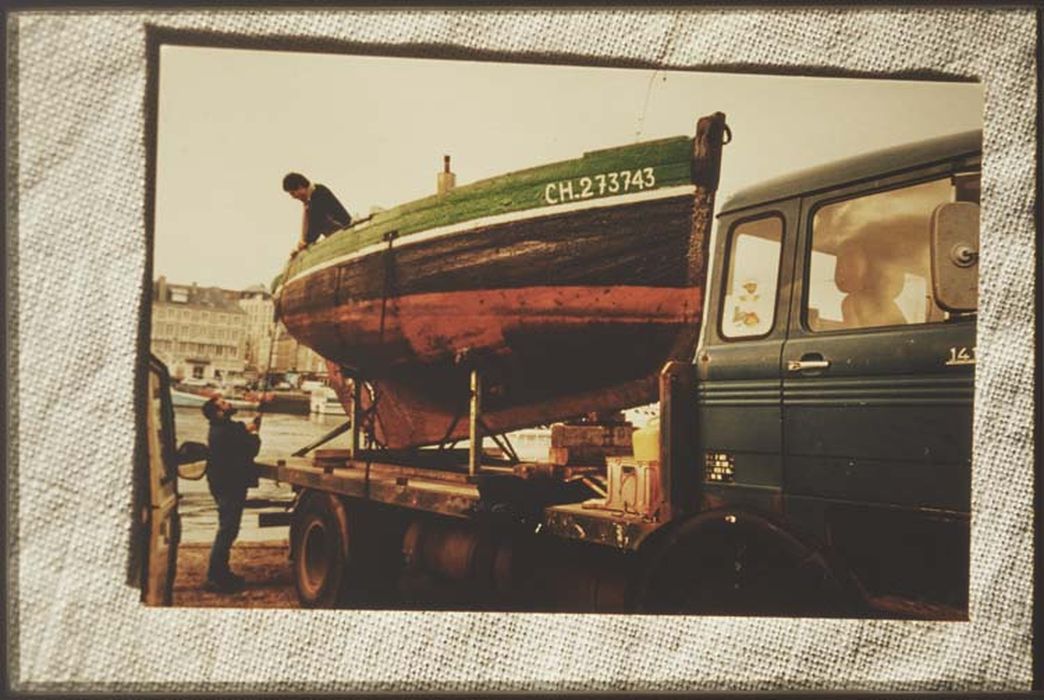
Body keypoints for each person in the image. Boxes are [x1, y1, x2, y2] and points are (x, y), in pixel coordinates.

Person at [201, 395, 262, 593]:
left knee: (228, 529)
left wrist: (249, 429)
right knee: (228, 529)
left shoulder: (220, 429)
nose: (229, 404)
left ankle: (222, 573)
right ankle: (215, 576)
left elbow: (239, 432)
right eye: (224, 403)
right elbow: (251, 448)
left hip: (223, 484)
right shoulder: (227, 430)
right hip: (230, 486)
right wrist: (254, 434)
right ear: (219, 412)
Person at [282, 172, 352, 254]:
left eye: (293, 193)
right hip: (340, 235)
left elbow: (316, 224)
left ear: (300, 187)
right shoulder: (313, 196)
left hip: (343, 231)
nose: (293, 197)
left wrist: (305, 243)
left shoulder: (318, 194)